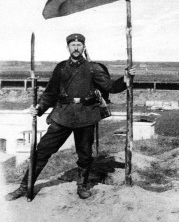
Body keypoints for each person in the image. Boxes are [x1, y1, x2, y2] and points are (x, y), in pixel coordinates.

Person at [5, 33, 136, 201]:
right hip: (62, 115)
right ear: (67, 47)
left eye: (79, 45)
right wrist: (39, 108)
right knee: (42, 150)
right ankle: (25, 186)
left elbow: (110, 87)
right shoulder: (60, 68)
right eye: (72, 45)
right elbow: (50, 93)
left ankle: (82, 186)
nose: (76, 48)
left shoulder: (92, 68)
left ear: (83, 47)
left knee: (85, 154)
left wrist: (126, 77)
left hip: (86, 115)